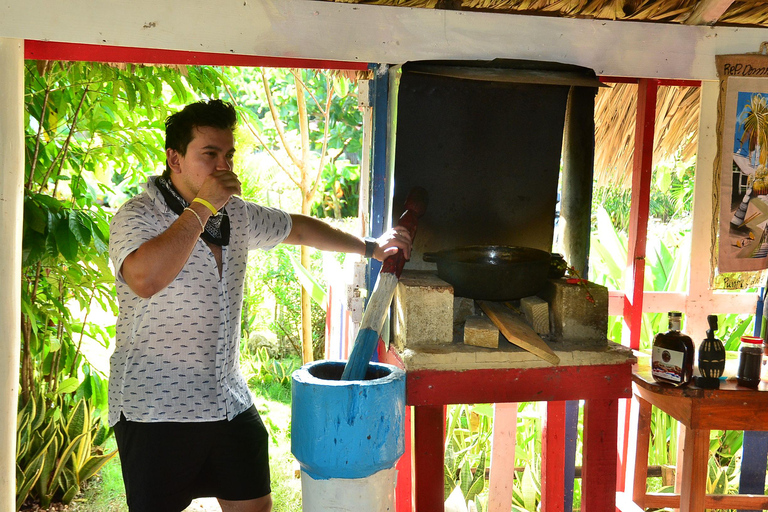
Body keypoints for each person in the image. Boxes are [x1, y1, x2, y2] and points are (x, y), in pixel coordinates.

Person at [108, 99, 411, 512]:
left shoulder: (237, 215)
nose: (223, 166)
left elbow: (296, 229)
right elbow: (145, 279)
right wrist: (202, 208)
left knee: (254, 505)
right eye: (209, 154)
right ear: (174, 159)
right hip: (156, 405)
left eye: (228, 154)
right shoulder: (137, 215)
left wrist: (371, 247)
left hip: (226, 397)